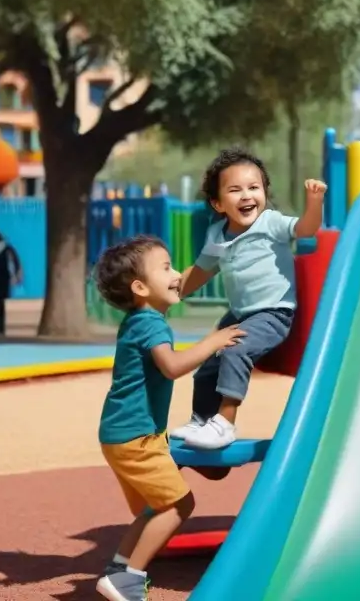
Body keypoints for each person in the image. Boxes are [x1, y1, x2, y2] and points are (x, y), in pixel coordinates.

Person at [93, 235, 244, 601]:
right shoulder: (151, 324)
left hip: (120, 434)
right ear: (140, 287)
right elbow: (173, 367)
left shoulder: (137, 320)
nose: (177, 274)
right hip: (135, 436)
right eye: (166, 268)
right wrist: (213, 342)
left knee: (153, 507)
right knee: (179, 505)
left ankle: (118, 568)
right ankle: (128, 577)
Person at [171, 148, 327, 451]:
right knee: (209, 356)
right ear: (218, 203)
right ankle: (201, 419)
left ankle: (225, 422)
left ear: (264, 193)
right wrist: (172, 290)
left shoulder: (271, 223)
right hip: (240, 313)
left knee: (234, 350)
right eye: (235, 190)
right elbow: (202, 270)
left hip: (273, 312)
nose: (247, 196)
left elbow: (307, 229)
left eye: (254, 188)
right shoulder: (217, 234)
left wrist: (314, 203)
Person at [0, 229, 22, 335]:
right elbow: (16, 262)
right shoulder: (7, 248)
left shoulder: (7, 249)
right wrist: (16, 276)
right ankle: (0, 327)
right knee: (1, 304)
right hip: (3, 281)